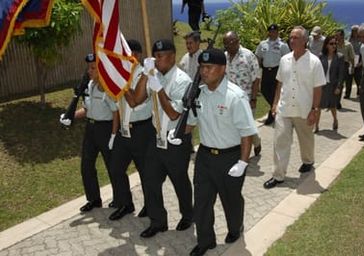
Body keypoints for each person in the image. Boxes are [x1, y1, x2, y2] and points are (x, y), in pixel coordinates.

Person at [168, 48, 258, 256]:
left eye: (209, 67)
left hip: (230, 157)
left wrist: (243, 162)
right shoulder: (199, 93)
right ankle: (206, 240)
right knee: (202, 201)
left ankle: (235, 228)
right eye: (202, 67)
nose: (204, 71)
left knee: (231, 199)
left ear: (222, 69)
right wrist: (178, 132)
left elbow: (247, 133)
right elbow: (191, 121)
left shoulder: (235, 96)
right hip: (205, 156)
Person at [128, 39, 193, 238]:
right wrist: (146, 76)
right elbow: (136, 100)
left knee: (179, 180)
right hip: (156, 138)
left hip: (176, 140)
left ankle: (188, 215)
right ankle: (158, 221)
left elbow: (174, 113)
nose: (157, 60)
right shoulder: (154, 76)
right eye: (154, 56)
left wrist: (158, 88)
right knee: (150, 180)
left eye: (160, 56)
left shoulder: (183, 80)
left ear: (172, 56)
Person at [263, 26, 326, 189]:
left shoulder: (314, 62)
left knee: (306, 139)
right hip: (284, 109)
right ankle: (278, 175)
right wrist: (275, 103)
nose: (292, 40)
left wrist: (315, 109)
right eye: (291, 37)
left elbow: (318, 88)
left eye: (296, 37)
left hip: (304, 109)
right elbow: (280, 83)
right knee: (280, 141)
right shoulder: (284, 60)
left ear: (305, 40)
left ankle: (308, 161)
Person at [59, 53, 119, 211]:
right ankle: (93, 199)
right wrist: (69, 116)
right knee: (86, 164)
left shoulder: (107, 87)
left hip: (105, 128)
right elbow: (87, 109)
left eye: (93, 67)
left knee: (112, 166)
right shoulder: (89, 86)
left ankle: (120, 199)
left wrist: (114, 134)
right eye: (88, 68)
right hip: (90, 128)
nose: (89, 71)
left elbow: (115, 113)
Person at [108, 40, 154, 221]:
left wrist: (123, 84)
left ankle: (151, 206)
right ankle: (126, 204)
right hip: (124, 130)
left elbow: (135, 100)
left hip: (141, 130)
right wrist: (114, 132)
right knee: (116, 168)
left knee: (145, 172)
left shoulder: (146, 74)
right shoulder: (120, 75)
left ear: (137, 55)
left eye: (129, 55)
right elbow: (118, 104)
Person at [223, 31, 262, 156]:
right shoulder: (224, 57)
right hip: (230, 100)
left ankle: (255, 143)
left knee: (247, 127)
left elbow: (256, 78)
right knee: (234, 126)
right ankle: (238, 152)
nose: (226, 46)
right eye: (225, 44)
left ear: (236, 41)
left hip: (246, 99)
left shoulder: (248, 55)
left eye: (228, 43)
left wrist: (254, 99)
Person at [255, 24, 291, 125]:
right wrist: (257, 69)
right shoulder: (263, 44)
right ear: (268, 32)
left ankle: (271, 115)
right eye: (271, 31)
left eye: (274, 31)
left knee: (276, 91)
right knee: (264, 90)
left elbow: (288, 58)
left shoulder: (282, 45)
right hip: (266, 70)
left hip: (277, 70)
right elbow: (258, 56)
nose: (272, 33)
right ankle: (275, 108)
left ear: (277, 32)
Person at [315, 36, 345, 133]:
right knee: (318, 106)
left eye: (335, 44)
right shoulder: (321, 56)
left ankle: (335, 120)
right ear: (326, 45)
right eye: (331, 44)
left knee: (332, 106)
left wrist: (339, 87)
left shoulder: (340, 57)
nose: (334, 46)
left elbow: (341, 74)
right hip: (322, 85)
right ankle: (316, 126)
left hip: (333, 85)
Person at [335, 29, 355, 107]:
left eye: (338, 35)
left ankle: (337, 102)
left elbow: (352, 57)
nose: (336, 37)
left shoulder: (348, 45)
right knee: (334, 83)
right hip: (335, 64)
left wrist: (352, 66)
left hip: (344, 65)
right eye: (336, 35)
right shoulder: (334, 44)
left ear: (342, 36)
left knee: (340, 83)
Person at [348, 25, 363, 97]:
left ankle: (359, 92)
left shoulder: (362, 40)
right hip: (351, 59)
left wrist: (361, 62)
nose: (354, 33)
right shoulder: (350, 39)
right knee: (349, 77)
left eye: (356, 31)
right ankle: (347, 93)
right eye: (353, 31)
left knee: (358, 78)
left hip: (359, 58)